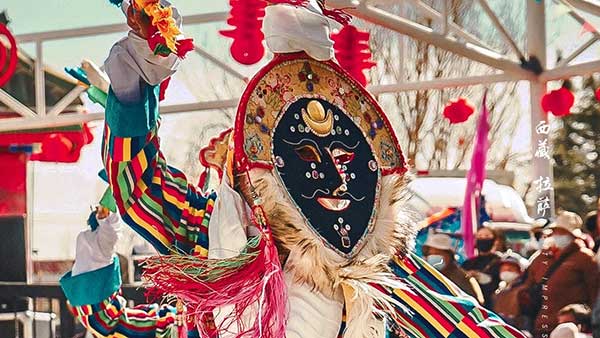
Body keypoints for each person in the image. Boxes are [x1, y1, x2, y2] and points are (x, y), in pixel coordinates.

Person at [59, 1, 526, 337]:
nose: (332, 176)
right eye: (303, 156)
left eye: (345, 158)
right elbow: (141, 187)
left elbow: (464, 322)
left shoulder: (378, 261)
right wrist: (133, 92)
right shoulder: (227, 245)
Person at [520, 211, 600, 337]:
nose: (556, 235)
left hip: (568, 328)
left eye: (561, 232)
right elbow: (529, 282)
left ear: (572, 236)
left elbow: (594, 293)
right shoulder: (543, 256)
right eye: (555, 231)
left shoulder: (585, 258)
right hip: (540, 326)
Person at [422, 233, 484, 303]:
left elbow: (475, 304)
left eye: (438, 253)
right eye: (430, 254)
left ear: (449, 256)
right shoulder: (425, 275)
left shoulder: (463, 277)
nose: (433, 256)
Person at [462, 226, 502, 308]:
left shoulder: (501, 262)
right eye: (480, 236)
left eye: (487, 236)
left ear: (495, 240)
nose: (483, 239)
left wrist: (481, 277)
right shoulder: (468, 263)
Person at [493, 251, 529, 329]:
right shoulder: (498, 290)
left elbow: (526, 316)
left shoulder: (523, 291)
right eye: (503, 269)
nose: (506, 271)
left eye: (510, 269)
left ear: (520, 271)